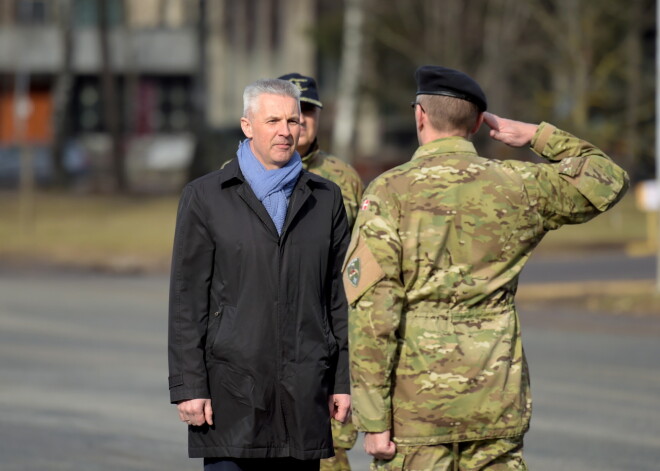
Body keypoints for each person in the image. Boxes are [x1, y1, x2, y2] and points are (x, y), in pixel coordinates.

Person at [343, 65, 629, 470]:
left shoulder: (390, 192)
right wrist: (536, 135)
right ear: (479, 123)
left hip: (417, 411)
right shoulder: (519, 184)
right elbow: (607, 179)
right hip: (495, 402)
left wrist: (373, 419)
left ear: (419, 115)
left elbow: (374, 312)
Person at [168, 78, 351, 471]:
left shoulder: (325, 198)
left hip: (304, 397)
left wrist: (342, 381)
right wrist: (189, 387)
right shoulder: (205, 197)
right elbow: (188, 301)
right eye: (272, 121)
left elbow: (338, 297)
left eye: (292, 120)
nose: (285, 131)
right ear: (247, 125)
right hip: (231, 397)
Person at [279, 72, 363, 471]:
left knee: (329, 454)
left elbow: (363, 261)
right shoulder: (237, 173)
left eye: (308, 112)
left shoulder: (343, 179)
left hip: (325, 341)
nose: (300, 122)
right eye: (292, 112)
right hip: (261, 346)